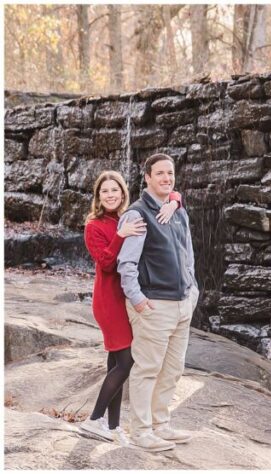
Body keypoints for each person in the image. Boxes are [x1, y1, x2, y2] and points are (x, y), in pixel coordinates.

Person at [79, 170, 182, 445]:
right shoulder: (95, 225)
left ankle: (112, 427)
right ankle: (94, 419)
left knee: (115, 361)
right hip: (109, 301)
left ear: (123, 193)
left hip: (124, 299)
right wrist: (120, 235)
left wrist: (175, 201)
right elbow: (106, 263)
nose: (110, 195)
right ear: (98, 197)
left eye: (115, 190)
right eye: (105, 191)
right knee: (127, 362)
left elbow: (170, 192)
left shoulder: (127, 216)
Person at [117, 153, 198, 452]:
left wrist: (193, 290)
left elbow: (188, 254)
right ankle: (141, 431)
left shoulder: (178, 211)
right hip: (154, 305)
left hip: (182, 303)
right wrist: (138, 301)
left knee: (172, 369)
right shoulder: (137, 215)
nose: (166, 178)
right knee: (147, 369)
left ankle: (161, 425)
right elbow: (126, 265)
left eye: (170, 173)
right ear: (148, 177)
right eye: (160, 173)